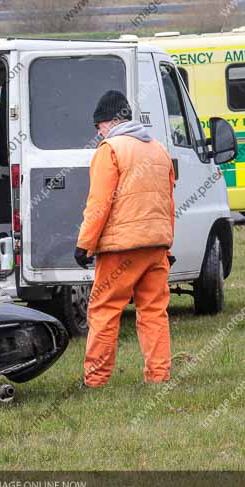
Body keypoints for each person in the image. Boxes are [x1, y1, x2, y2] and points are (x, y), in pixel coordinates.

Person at [75, 90, 177, 387]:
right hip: (156, 245)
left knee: (104, 310)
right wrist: (167, 242)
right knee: (154, 312)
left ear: (109, 122)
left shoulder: (110, 150)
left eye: (99, 126)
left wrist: (85, 244)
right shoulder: (158, 149)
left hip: (121, 248)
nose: (98, 132)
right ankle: (159, 376)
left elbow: (99, 203)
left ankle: (96, 380)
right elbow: (168, 201)